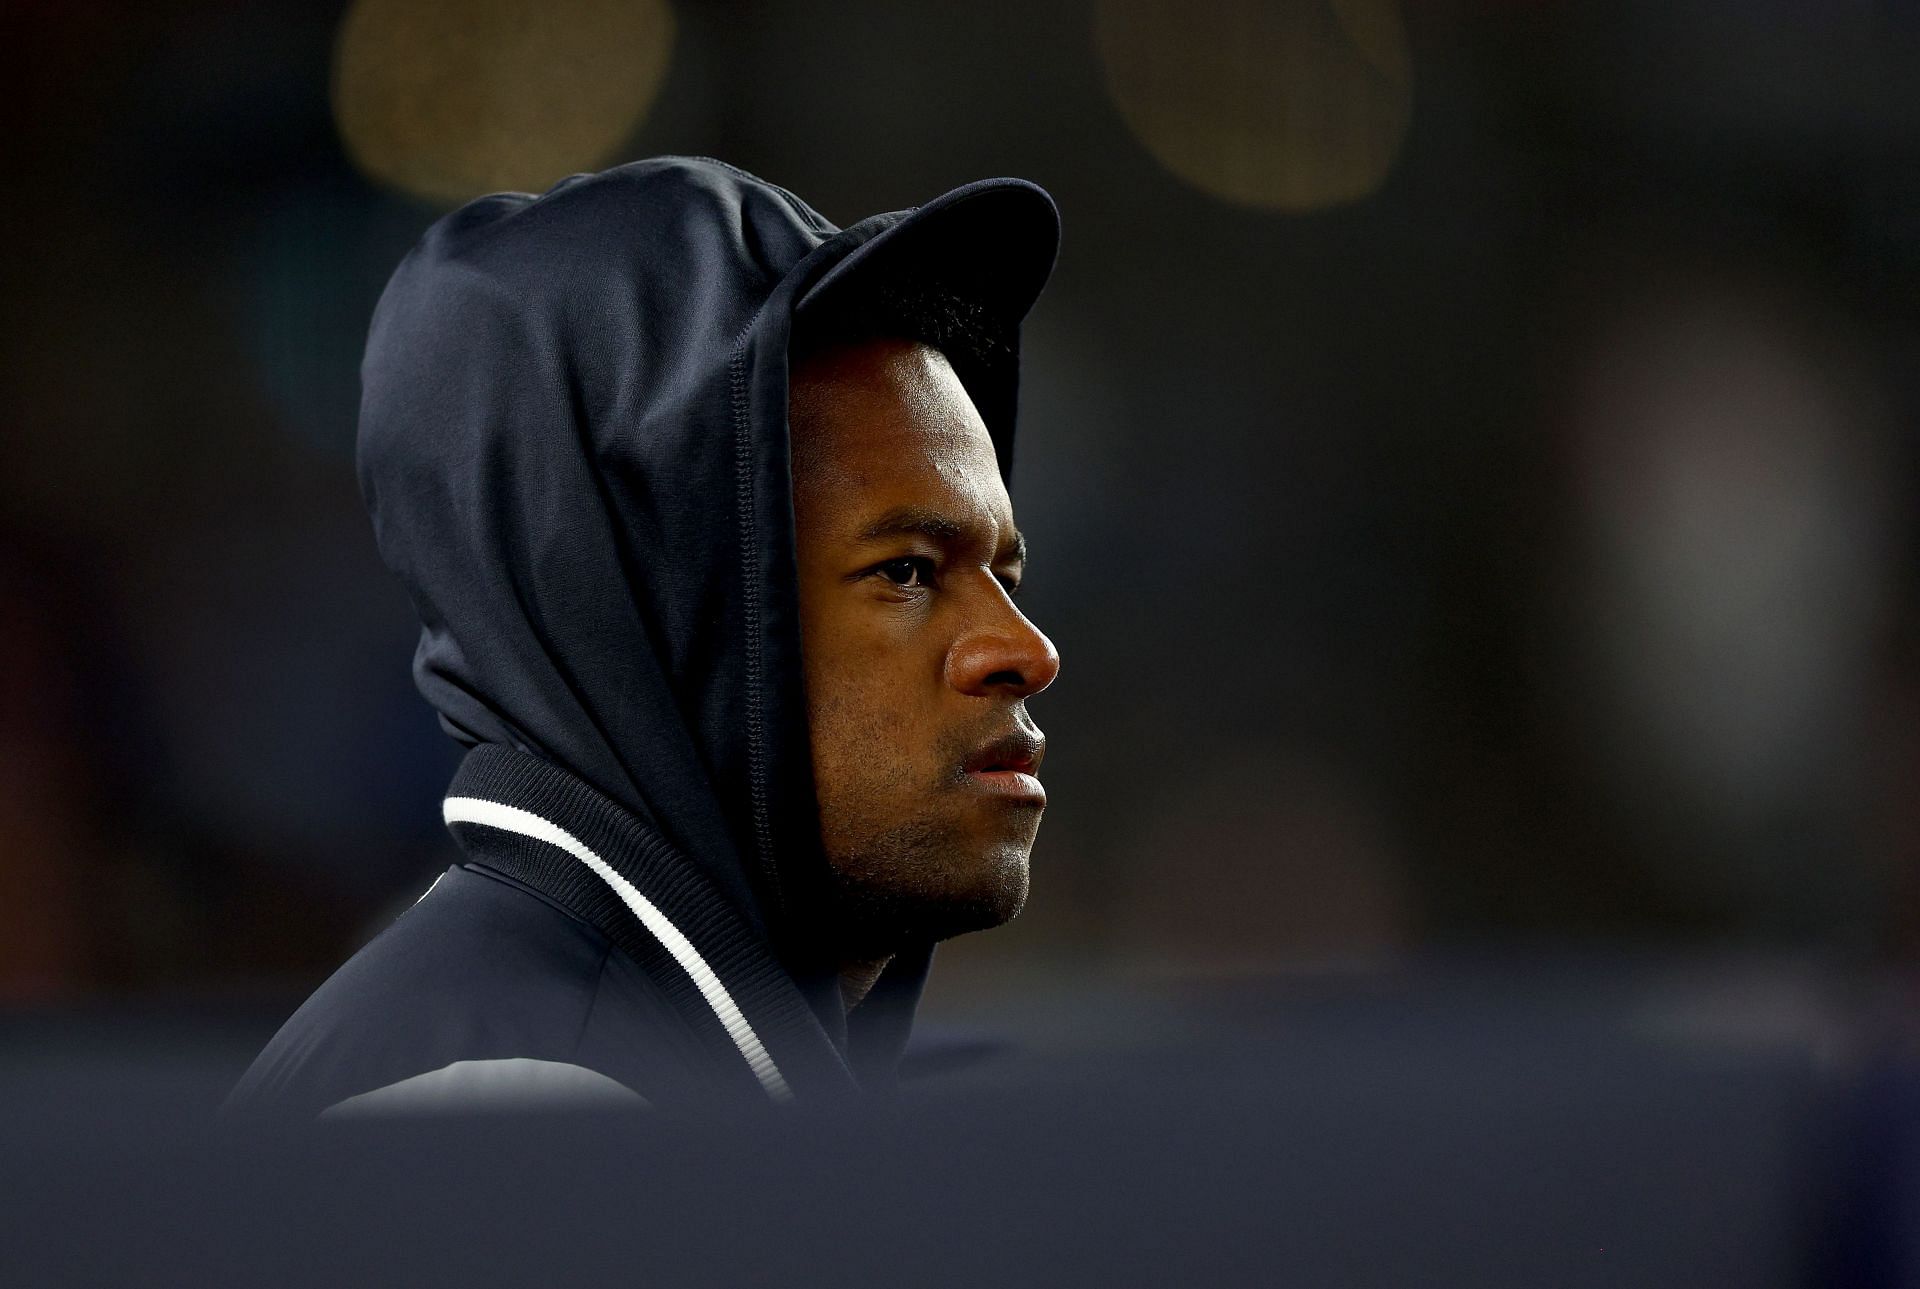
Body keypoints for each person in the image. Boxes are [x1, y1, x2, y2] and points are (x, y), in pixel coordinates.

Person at [223, 156, 1061, 1116]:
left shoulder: (632, 1059)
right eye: (905, 571)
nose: (1025, 650)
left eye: (1006, 574)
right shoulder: (512, 1105)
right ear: (635, 608)